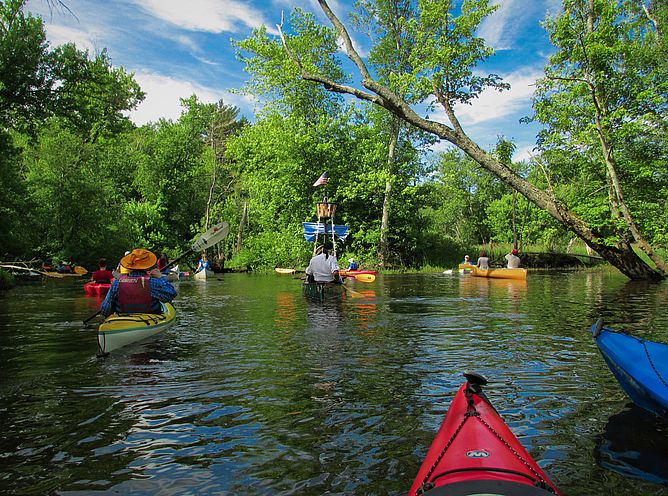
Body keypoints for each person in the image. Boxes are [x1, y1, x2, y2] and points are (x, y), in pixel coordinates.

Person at [100, 248, 177, 317]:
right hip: (150, 318)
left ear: (130, 265)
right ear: (148, 266)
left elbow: (105, 311)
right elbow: (172, 294)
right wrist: (160, 277)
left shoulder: (116, 283)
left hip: (123, 320)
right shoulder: (153, 283)